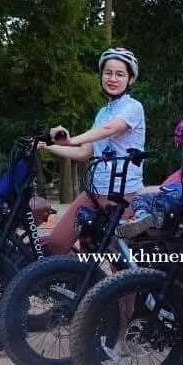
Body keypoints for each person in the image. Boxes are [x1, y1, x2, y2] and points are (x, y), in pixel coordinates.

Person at [40, 47, 146, 255]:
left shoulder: (134, 107)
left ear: (130, 79)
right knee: (58, 243)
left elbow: (109, 129)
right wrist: (47, 146)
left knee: (117, 259)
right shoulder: (102, 112)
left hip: (121, 193)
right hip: (94, 191)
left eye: (120, 74)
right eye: (108, 73)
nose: (112, 79)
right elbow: (84, 152)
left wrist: (70, 140)